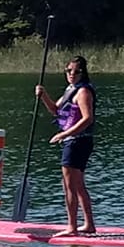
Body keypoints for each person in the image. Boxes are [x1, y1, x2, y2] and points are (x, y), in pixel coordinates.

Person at [36, 55, 96, 235]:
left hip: (77, 142)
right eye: (69, 71)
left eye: (76, 72)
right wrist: (43, 95)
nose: (72, 74)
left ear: (83, 73)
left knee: (69, 185)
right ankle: (89, 225)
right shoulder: (72, 89)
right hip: (74, 141)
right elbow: (55, 109)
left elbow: (87, 119)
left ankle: (72, 227)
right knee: (77, 185)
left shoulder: (83, 92)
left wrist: (64, 134)